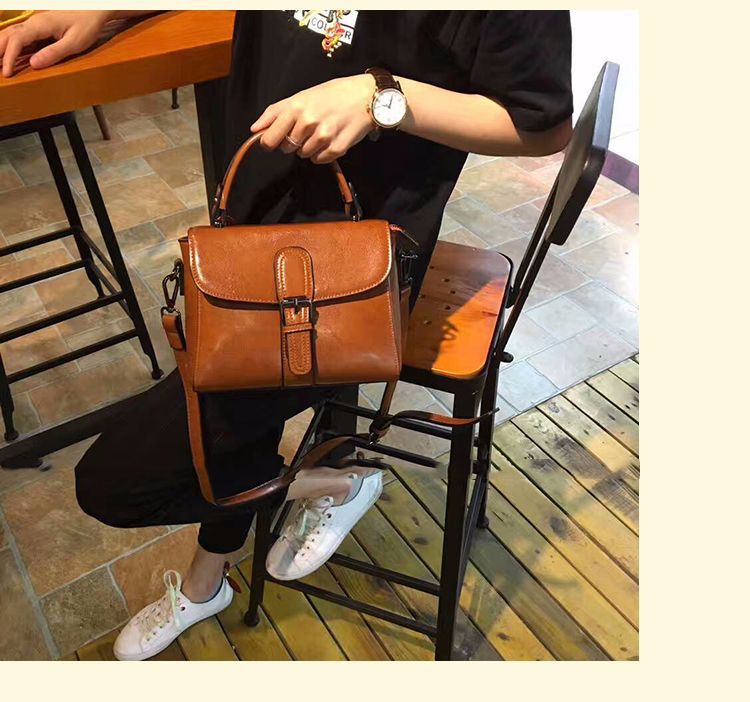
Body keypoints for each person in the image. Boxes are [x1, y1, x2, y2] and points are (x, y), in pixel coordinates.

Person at [0, 9, 573, 660]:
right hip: (254, 221)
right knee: (234, 412)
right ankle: (216, 574)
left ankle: (338, 484)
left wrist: (382, 98)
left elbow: (540, 122)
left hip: (352, 278)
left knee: (115, 482)